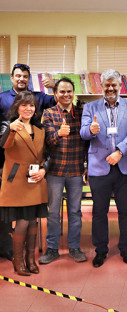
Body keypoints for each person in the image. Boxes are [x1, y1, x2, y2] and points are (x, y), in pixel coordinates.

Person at [80, 69, 127, 268]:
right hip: (99, 167)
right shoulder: (90, 107)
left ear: (120, 85)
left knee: (125, 210)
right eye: (107, 85)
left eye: (114, 84)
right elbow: (83, 132)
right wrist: (90, 130)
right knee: (99, 212)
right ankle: (101, 250)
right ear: (102, 86)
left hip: (124, 166)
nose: (111, 88)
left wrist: (120, 152)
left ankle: (125, 248)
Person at [0, 64, 55, 262]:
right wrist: (11, 129)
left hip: (35, 178)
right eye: (24, 106)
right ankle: (16, 259)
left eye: (31, 106)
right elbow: (4, 144)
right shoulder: (8, 123)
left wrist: (44, 169)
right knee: (19, 221)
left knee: (33, 220)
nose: (28, 108)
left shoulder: (40, 128)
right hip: (14, 176)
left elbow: (47, 153)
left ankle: (30, 260)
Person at [39, 78, 88, 265]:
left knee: (75, 211)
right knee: (53, 212)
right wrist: (58, 133)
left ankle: (74, 247)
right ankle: (52, 249)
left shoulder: (82, 113)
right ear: (55, 94)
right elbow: (47, 141)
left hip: (76, 170)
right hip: (55, 171)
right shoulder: (48, 113)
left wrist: (87, 166)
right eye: (62, 92)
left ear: (73, 93)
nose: (66, 95)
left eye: (69, 91)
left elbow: (87, 142)